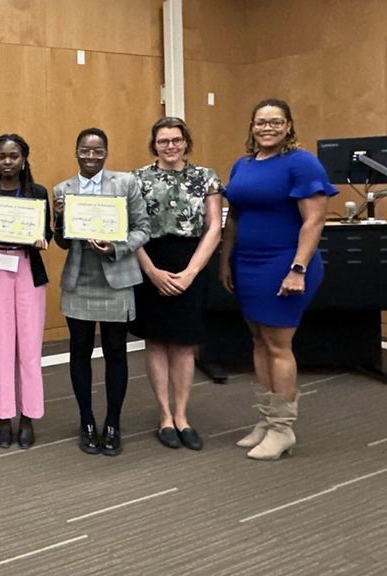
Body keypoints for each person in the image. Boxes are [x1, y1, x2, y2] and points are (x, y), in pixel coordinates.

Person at [220, 98, 336, 460]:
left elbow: (314, 220)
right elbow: (233, 218)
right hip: (247, 263)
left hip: (284, 264)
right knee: (258, 340)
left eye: (275, 122)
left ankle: (283, 429)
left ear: (288, 126)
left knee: (277, 344)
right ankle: (267, 420)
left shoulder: (300, 162)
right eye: (260, 122)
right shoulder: (243, 164)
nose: (267, 128)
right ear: (251, 126)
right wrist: (225, 261)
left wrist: (298, 268)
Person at [54, 128, 150, 457]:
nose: (91, 156)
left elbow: (143, 228)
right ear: (76, 151)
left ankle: (113, 423)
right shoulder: (62, 190)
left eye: (98, 151)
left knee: (115, 353)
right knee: (79, 352)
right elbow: (62, 242)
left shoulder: (125, 184)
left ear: (106, 152)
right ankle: (86, 421)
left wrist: (116, 247)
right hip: (79, 280)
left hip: (117, 279)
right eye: (85, 150)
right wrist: (59, 219)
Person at [130, 117, 223, 451]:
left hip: (191, 261)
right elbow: (130, 229)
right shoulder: (137, 179)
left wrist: (191, 272)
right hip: (150, 261)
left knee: (184, 345)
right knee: (155, 342)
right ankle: (164, 415)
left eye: (176, 140)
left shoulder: (206, 177)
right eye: (163, 141)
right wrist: (151, 271)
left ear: (186, 142)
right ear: (154, 144)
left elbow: (214, 228)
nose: (170, 146)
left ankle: (182, 416)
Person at [0, 134, 52, 449]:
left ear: (24, 158)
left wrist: (42, 238)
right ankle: (4, 416)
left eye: (13, 156)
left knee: (29, 349)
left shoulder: (37, 192)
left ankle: (28, 416)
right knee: (1, 347)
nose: (7, 162)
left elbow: (47, 233)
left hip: (28, 271)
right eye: (2, 156)